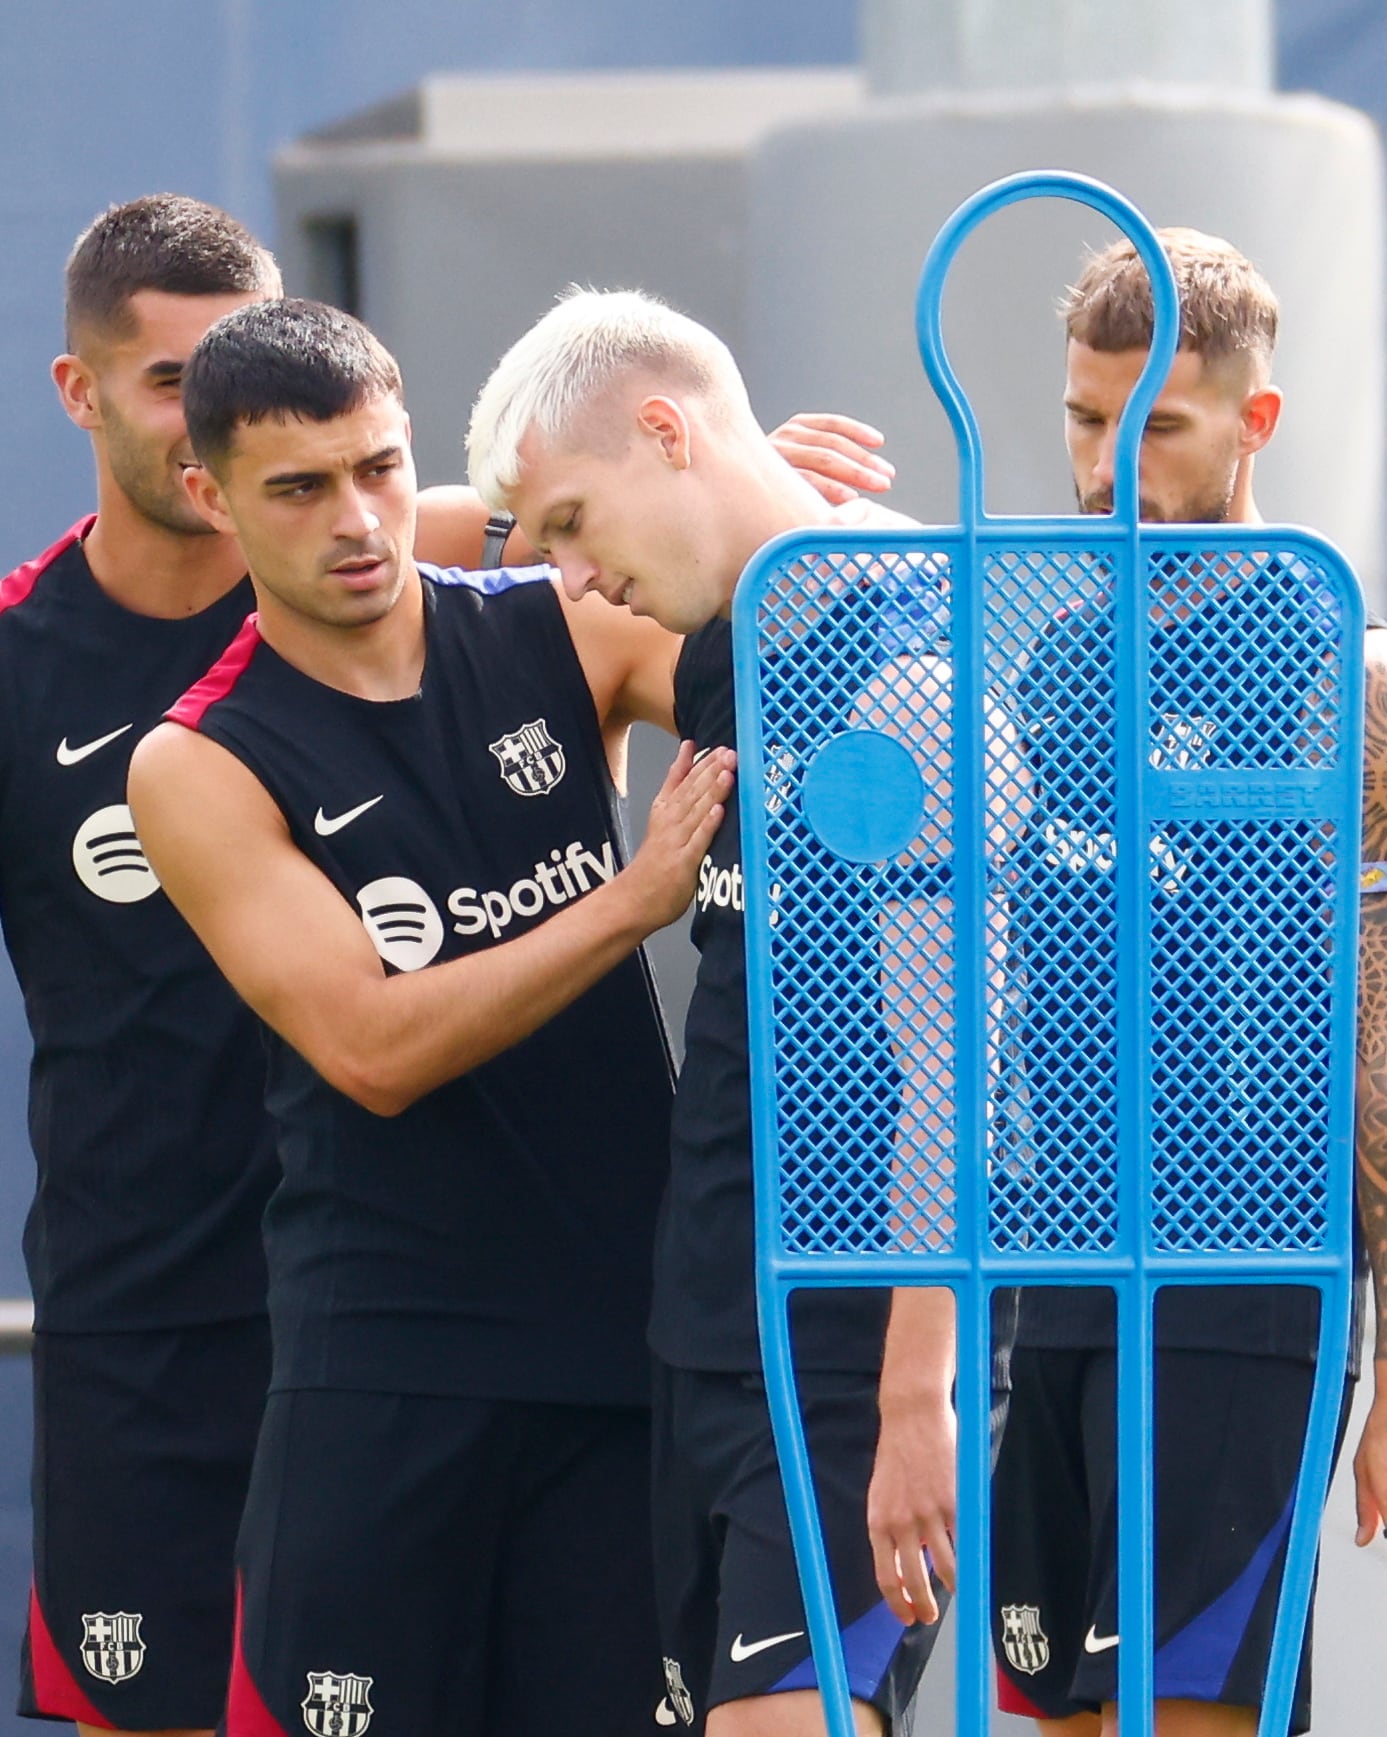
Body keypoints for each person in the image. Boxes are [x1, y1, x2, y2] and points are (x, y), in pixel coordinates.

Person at [0, 195, 551, 1737]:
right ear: (75, 389)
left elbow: (626, 536)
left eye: (232, 371)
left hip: (399, 1316)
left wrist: (759, 487)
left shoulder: (407, 557)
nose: (205, 420)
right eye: (166, 381)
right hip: (146, 1336)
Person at [783, 228, 1387, 1737]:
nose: (1104, 468)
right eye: (1086, 421)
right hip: (1055, 1286)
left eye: (1155, 425)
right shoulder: (1057, 656)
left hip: (1244, 1289)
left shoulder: (1345, 670)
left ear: (1254, 422)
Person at [125, 296, 731, 1735]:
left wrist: (771, 514)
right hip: (386, 1370)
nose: (357, 518)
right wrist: (629, 903)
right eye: (300, 486)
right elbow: (369, 1048)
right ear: (211, 496)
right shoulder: (199, 762)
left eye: (380, 469)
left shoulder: (559, 630)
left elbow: (764, 688)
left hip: (615, 1350)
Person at [467, 287, 970, 1737]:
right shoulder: (723, 642)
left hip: (848, 1348)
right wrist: (746, 477)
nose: (569, 572)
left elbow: (963, 1060)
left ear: (665, 432)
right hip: (702, 1326)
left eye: (571, 520)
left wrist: (916, 1391)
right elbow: (377, 535)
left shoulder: (911, 659)